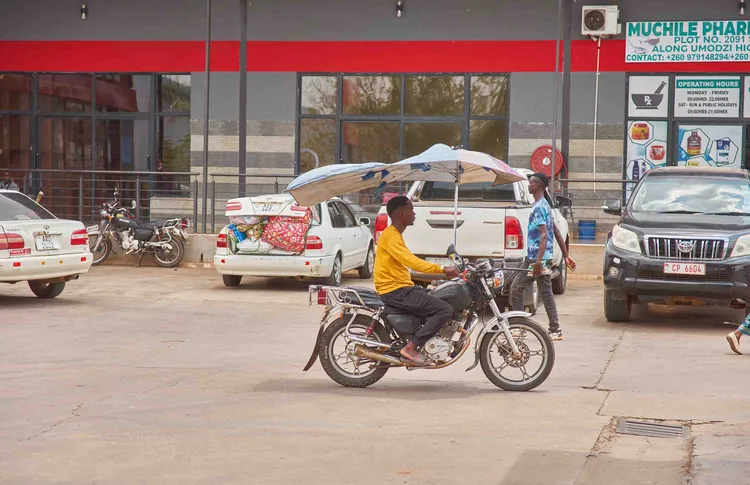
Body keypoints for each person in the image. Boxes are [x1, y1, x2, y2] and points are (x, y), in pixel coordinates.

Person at [374, 196, 459, 364]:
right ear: (400, 214)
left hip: (401, 288)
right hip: (396, 291)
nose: (414, 214)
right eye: (411, 210)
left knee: (439, 297)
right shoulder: (391, 236)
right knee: (444, 310)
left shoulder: (394, 234)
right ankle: (411, 347)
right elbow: (411, 261)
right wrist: (442, 269)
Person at [510, 172, 577, 341]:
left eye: (531, 183)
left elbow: (544, 235)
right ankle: (555, 330)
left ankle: (518, 328)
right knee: (546, 294)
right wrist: (566, 255)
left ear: (538, 185)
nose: (528, 185)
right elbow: (555, 230)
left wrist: (538, 262)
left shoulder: (539, 207)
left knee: (516, 289)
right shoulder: (545, 206)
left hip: (536, 259)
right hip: (542, 258)